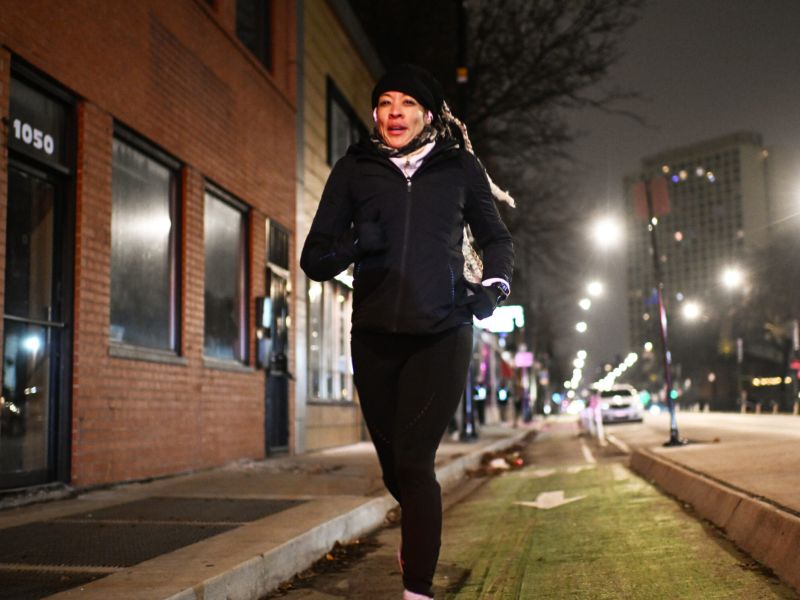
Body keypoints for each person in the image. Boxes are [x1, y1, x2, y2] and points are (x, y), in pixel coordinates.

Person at [300, 64, 514, 600]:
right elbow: (313, 258)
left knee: (416, 463)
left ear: (428, 114)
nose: (395, 113)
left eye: (408, 103)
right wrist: (355, 243)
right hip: (374, 337)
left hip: (442, 331)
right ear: (376, 114)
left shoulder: (459, 167)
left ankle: (417, 587)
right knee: (396, 468)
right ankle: (417, 534)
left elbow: (497, 239)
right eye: (385, 103)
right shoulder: (355, 169)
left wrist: (493, 289)